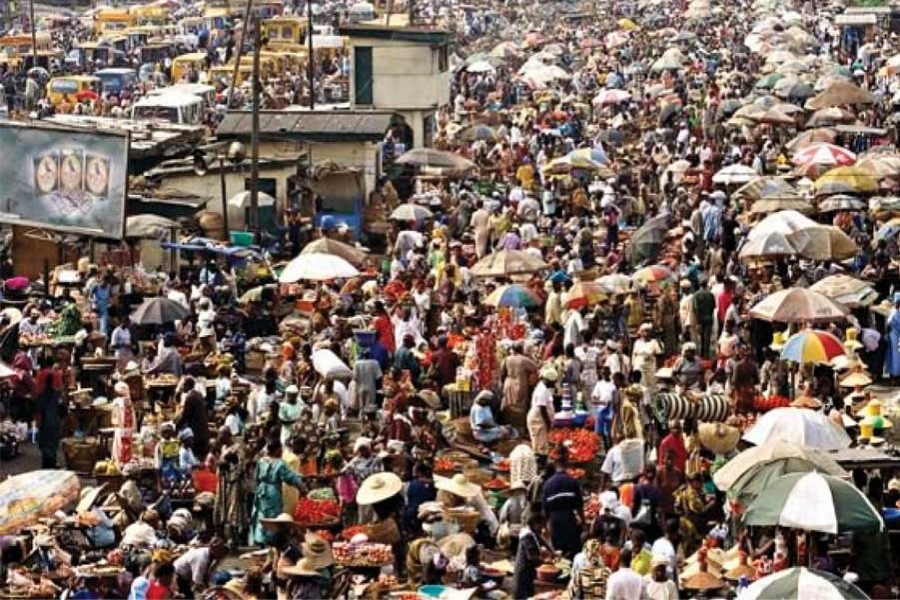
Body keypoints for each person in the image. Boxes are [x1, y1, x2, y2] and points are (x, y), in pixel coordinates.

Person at [251, 438, 305, 545]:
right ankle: (272, 542)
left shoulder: (261, 461)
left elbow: (256, 476)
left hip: (261, 491)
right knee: (274, 517)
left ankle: (261, 540)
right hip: (273, 493)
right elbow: (290, 477)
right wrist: (301, 486)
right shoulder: (280, 464)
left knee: (262, 515)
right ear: (276, 450)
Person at [542, 449, 584, 558]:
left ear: (555, 465)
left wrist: (546, 528)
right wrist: (583, 524)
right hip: (569, 520)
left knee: (559, 554)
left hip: (555, 523)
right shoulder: (572, 482)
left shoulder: (547, 485)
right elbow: (579, 506)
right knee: (573, 552)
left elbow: (545, 511)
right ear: (566, 464)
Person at [34, 355, 63, 468]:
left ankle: (46, 462)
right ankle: (51, 461)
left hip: (43, 410)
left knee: (44, 436)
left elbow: (37, 392)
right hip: (51, 410)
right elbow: (58, 392)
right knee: (52, 436)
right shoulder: (55, 375)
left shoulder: (40, 374)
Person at [513, 511, 544, 600]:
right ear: (535, 524)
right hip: (524, 572)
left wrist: (552, 551)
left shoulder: (533, 533)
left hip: (528, 572)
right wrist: (544, 561)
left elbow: (542, 540)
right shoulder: (527, 536)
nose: (542, 527)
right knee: (522, 595)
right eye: (541, 525)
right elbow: (532, 557)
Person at [528, 365, 557, 453]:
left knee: (541, 443)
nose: (554, 384)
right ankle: (540, 459)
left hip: (540, 419)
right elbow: (542, 409)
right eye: (553, 382)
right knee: (540, 445)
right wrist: (548, 423)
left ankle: (540, 458)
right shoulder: (542, 390)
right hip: (538, 419)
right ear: (548, 380)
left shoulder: (544, 388)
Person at [111, 381, 136, 467]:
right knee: (126, 445)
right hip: (127, 427)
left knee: (120, 445)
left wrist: (116, 424)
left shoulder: (117, 402)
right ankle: (125, 462)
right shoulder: (128, 401)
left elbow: (115, 417)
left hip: (121, 428)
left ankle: (120, 463)